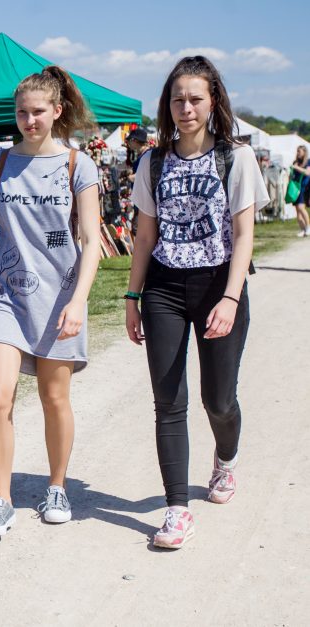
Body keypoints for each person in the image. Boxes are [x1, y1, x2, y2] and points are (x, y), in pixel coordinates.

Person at [126, 56, 269, 549]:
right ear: (167, 104)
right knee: (168, 402)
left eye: (195, 99)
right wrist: (132, 296)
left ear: (213, 103)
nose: (185, 108)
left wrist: (230, 297)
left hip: (217, 285)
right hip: (164, 287)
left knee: (218, 400)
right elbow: (144, 238)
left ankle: (225, 461)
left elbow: (243, 234)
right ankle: (177, 509)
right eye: (177, 99)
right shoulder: (153, 160)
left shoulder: (237, 158)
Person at [0, 66, 102, 537]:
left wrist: (79, 301)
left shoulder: (77, 165)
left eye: (38, 111)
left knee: (53, 397)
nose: (29, 120)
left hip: (60, 298)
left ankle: (57, 486)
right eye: (22, 112)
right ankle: (1, 500)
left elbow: (91, 240)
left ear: (57, 110)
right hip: (6, 296)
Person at [291, 146, 310, 237]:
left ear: (304, 152)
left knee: (301, 208)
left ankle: (308, 227)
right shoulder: (296, 162)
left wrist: (296, 167)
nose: (298, 153)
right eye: (297, 151)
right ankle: (303, 229)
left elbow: (307, 173)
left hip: (303, 188)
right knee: (297, 211)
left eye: (299, 151)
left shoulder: (308, 162)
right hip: (295, 189)